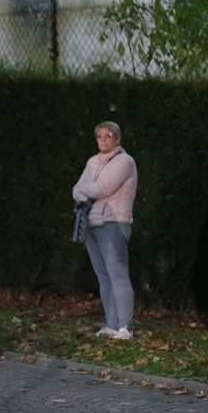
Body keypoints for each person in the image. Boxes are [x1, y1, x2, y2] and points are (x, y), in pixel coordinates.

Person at [72, 121, 137, 340]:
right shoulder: (92, 161)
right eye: (99, 136)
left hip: (114, 223)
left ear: (117, 139)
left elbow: (102, 188)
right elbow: (76, 190)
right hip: (91, 223)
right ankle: (111, 324)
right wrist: (86, 190)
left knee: (118, 275)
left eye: (108, 136)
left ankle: (125, 327)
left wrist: (86, 190)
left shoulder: (125, 161)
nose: (102, 140)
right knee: (103, 276)